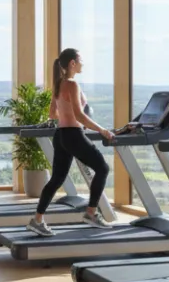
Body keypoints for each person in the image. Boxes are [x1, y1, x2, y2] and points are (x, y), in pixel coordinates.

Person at [27, 48, 114, 238]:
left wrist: (66, 116)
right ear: (73, 63)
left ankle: (37, 220)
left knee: (57, 179)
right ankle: (91, 213)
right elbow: (79, 115)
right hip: (73, 134)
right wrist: (102, 130)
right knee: (103, 168)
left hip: (60, 135)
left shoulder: (59, 84)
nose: (83, 63)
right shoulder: (73, 85)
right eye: (80, 60)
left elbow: (52, 114)